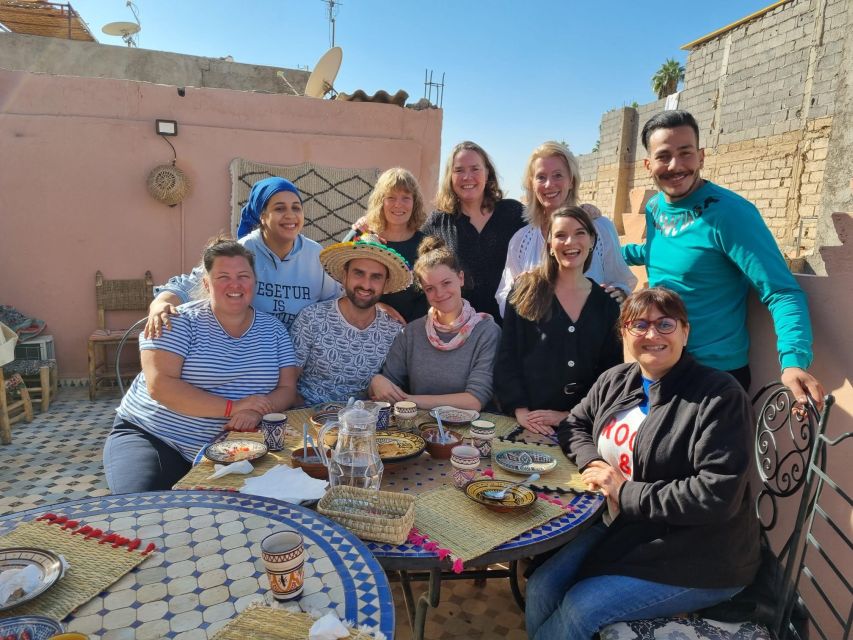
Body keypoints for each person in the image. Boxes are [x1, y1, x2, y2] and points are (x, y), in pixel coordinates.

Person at [525, 287, 760, 640]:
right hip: (623, 528)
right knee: (541, 587)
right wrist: (592, 462)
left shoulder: (719, 396)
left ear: (685, 331)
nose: (652, 335)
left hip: (699, 553)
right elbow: (575, 424)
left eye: (665, 324)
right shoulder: (617, 380)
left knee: (580, 608)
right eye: (640, 325)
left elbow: (716, 494)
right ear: (624, 333)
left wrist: (624, 491)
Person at [622, 110, 824, 405]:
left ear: (701, 156)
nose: (676, 166)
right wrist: (595, 248)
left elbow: (782, 291)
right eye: (664, 156)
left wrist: (793, 361)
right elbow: (661, 253)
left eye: (685, 153)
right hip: (661, 367)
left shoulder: (731, 214)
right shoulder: (655, 208)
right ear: (648, 164)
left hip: (713, 378)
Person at [103, 238, 299, 493]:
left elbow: (287, 387)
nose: (235, 284)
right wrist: (234, 407)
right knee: (141, 507)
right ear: (206, 283)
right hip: (156, 437)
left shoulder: (274, 330)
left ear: (254, 282)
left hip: (235, 446)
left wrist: (255, 411)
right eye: (223, 277)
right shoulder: (177, 321)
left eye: (243, 276)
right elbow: (160, 386)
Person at [145, 177, 341, 337]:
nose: (290, 215)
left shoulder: (315, 254)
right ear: (262, 216)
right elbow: (191, 284)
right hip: (250, 354)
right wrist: (161, 304)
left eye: (296, 208)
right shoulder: (243, 250)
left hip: (299, 356)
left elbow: (334, 303)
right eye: (280, 208)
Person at [494, 206, 623, 435]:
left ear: (592, 240)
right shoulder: (525, 291)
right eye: (561, 235)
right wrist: (521, 411)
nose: (570, 242)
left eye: (580, 233)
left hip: (581, 426)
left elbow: (610, 373)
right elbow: (508, 356)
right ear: (550, 245)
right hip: (527, 422)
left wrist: (569, 416)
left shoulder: (607, 304)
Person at [495, 141, 636, 316]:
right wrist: (520, 291)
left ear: (571, 180)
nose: (549, 184)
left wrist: (618, 295)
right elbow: (504, 296)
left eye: (558, 175)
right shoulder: (521, 240)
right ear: (532, 184)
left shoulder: (600, 229)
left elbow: (622, 282)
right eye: (541, 177)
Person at [369, 237, 501, 410]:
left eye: (446, 283)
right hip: (420, 428)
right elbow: (387, 382)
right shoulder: (411, 333)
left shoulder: (487, 331)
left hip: (473, 430)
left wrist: (409, 400)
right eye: (430, 288)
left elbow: (474, 400)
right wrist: (377, 381)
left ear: (460, 278)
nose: (440, 293)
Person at [289, 235, 410, 405]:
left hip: (363, 422)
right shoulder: (312, 318)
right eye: (359, 273)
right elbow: (286, 383)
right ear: (345, 275)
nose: (366, 285)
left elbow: (386, 389)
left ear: (385, 283)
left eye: (376, 277)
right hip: (306, 417)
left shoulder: (393, 330)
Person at [422, 141, 524, 323]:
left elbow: (549, 227)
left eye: (475, 169)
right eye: (459, 170)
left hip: (511, 330)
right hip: (459, 334)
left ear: (487, 173)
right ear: (450, 177)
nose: (467, 177)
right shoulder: (439, 222)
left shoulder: (514, 214)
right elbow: (410, 257)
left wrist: (587, 212)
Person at [350, 167, 429, 322]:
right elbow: (338, 284)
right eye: (391, 197)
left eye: (405, 197)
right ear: (381, 201)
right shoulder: (363, 236)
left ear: (415, 202)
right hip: (364, 328)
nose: (398, 205)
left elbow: (432, 294)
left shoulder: (426, 245)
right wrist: (377, 306)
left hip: (412, 333)